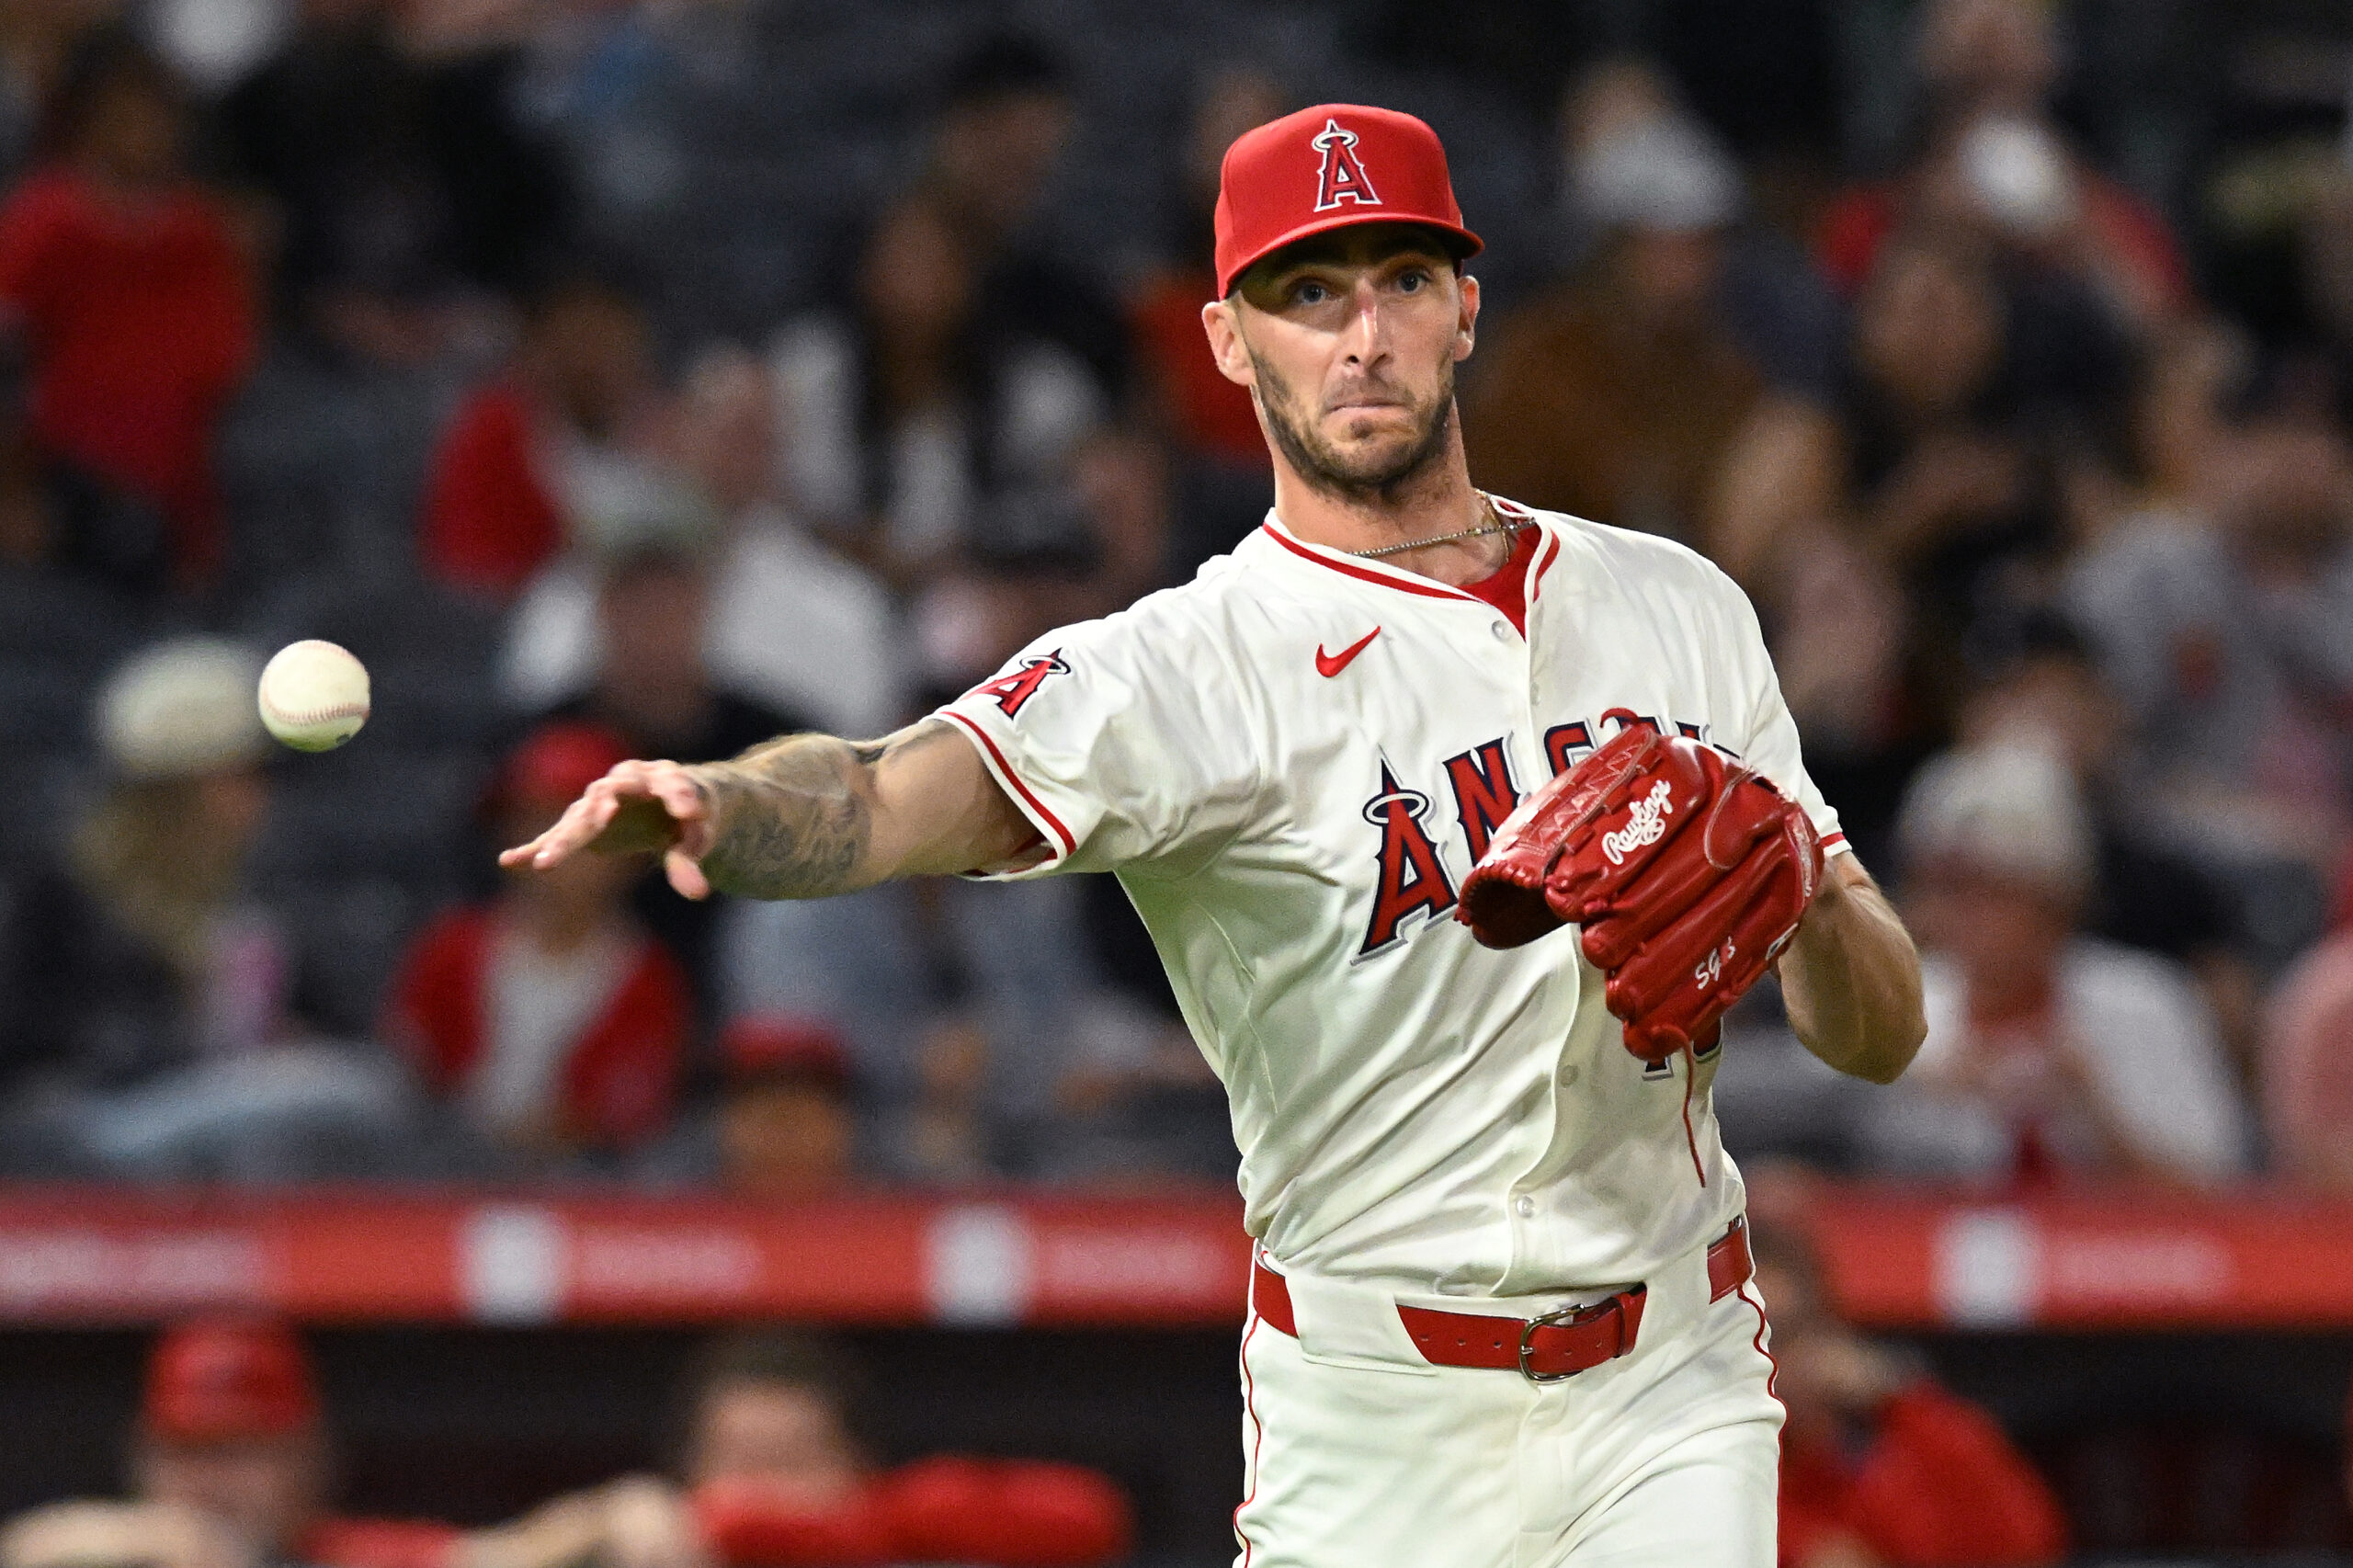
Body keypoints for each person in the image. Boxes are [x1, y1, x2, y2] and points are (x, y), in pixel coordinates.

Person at [506, 104, 1926, 1567]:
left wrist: (1806, 891)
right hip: (1379, 1405)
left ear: (1465, 309)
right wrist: (726, 805)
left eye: (1401, 280)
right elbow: (879, 791)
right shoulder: (1184, 669)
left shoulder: (1676, 605)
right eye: (1308, 293)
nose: (1361, 336)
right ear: (1230, 341)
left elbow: (1880, 1037)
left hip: (1675, 1378)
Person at [1868, 742, 2248, 1183]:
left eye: (1987, 894)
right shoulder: (1894, 1009)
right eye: (1940, 890)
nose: (1954, 916)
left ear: (2055, 902)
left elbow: (2223, 1193)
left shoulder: (2147, 1001)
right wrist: (1922, 1094)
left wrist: (2094, 1114)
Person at [467, 1332, 1130, 1568]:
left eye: (791, 1462)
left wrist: (727, 1524)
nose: (763, 1490)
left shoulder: (904, 1542)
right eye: (741, 1463)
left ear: (856, 1466)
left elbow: (1089, 1517)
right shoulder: (648, 1541)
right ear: (691, 1469)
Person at [0, 24, 257, 588]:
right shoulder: (45, 219)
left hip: (173, 476)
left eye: (156, 116)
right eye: (124, 114)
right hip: (60, 472)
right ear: (86, 120)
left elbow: (226, 357)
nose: (143, 132)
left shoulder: (198, 228)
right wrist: (14, 488)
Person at [382, 721, 690, 1166]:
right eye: (537, 822)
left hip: (586, 1182)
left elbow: (627, 1114)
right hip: (439, 1169)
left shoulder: (649, 978)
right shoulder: (452, 947)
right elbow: (409, 1072)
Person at [0, 1318, 459, 1568]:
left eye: (241, 1451)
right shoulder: (115, 1550)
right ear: (143, 1457)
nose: (211, 1481)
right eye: (188, 1451)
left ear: (309, 1457)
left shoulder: (357, 1555)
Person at [1753, 1221, 2069, 1568]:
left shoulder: (1888, 1435)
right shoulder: (1724, 1453)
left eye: (1780, 1335)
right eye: (1744, 1339)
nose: (1763, 1360)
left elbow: (2027, 1542)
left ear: (1827, 1336)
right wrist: (1801, 1545)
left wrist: (1897, 1400)